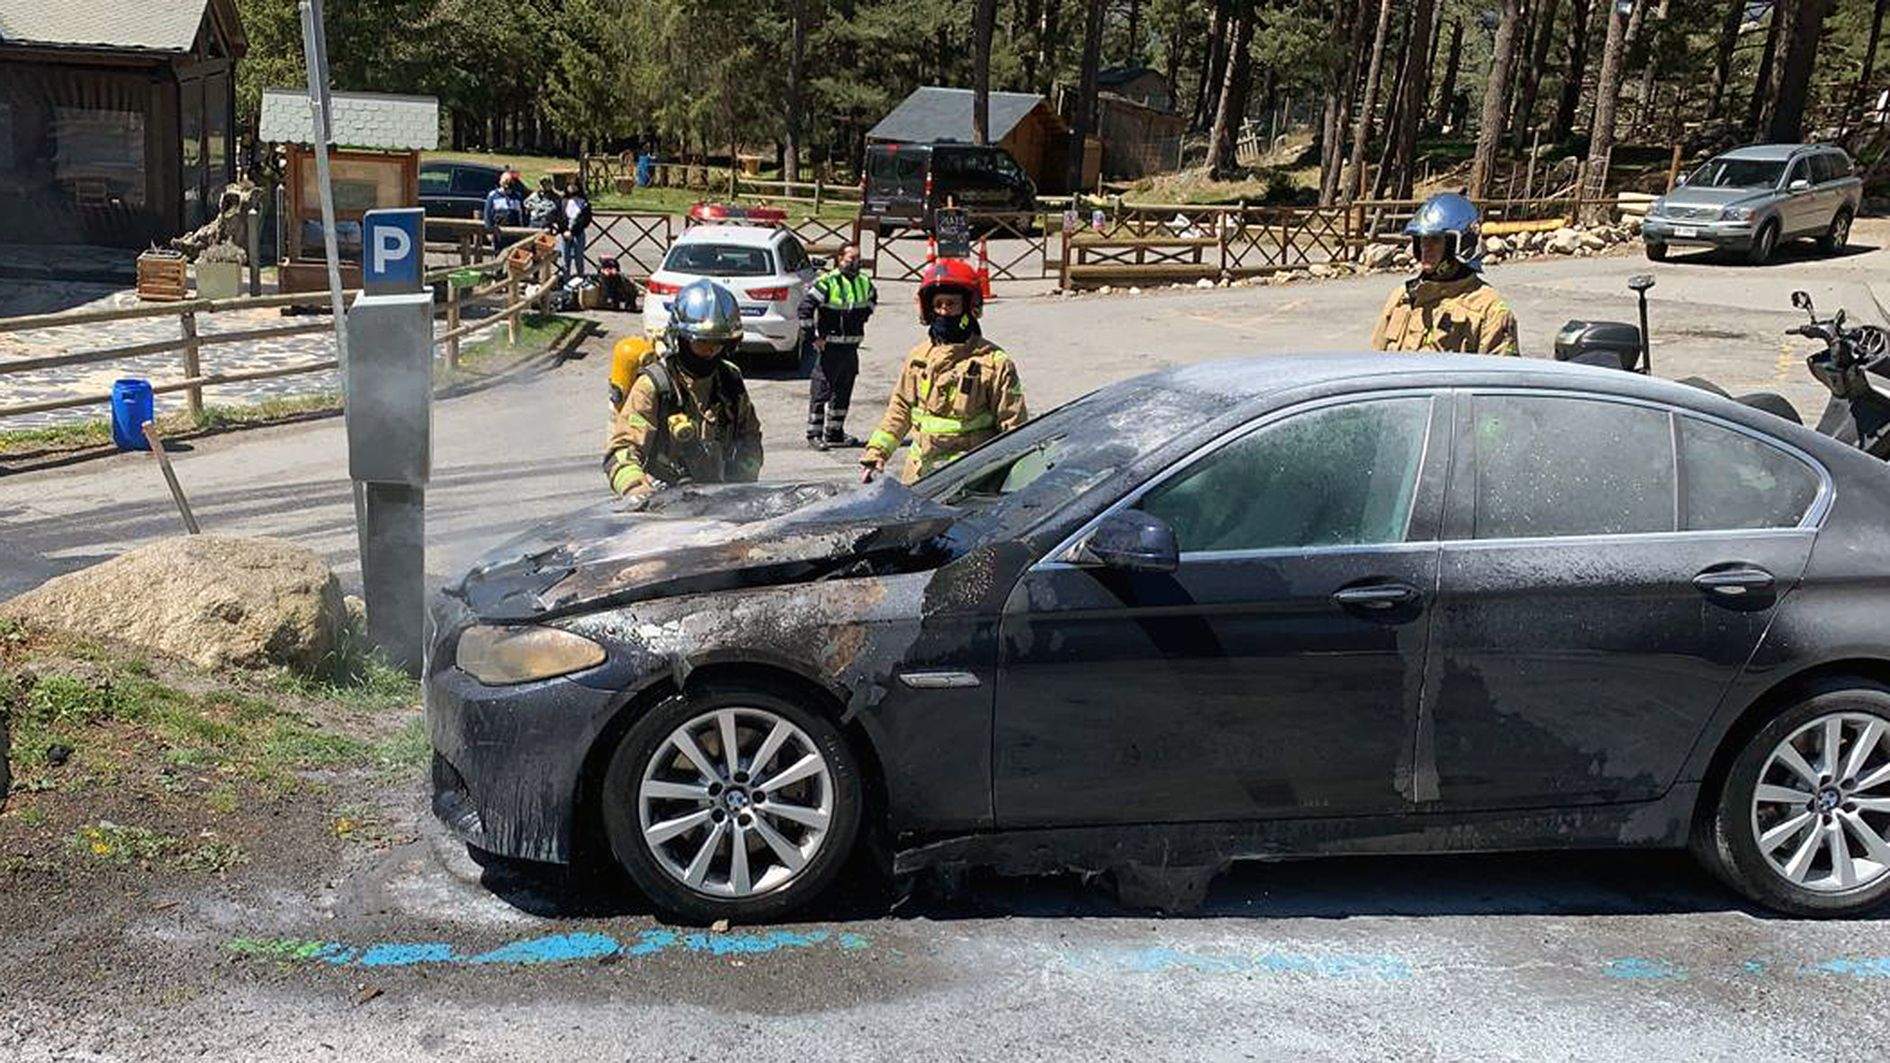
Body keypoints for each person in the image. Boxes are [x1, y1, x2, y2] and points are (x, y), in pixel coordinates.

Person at [861, 257, 1027, 484]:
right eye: (938, 305)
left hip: (972, 482)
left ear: (969, 308)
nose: (944, 311)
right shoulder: (918, 358)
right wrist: (876, 453)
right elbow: (899, 410)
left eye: (951, 304)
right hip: (920, 479)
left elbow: (1015, 427)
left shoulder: (995, 363)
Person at [604, 279, 763, 496]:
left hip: (719, 499)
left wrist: (742, 481)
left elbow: (750, 438)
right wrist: (636, 489)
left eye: (716, 344)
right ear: (681, 340)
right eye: (701, 343)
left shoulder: (729, 380)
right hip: (661, 499)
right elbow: (622, 449)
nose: (709, 351)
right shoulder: (655, 385)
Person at [1370, 191, 1520, 355]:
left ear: (1459, 245)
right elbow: (1375, 361)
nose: (1425, 247)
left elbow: (1500, 375)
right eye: (1422, 239)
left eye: (1435, 239)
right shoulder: (1403, 297)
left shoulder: (1490, 310)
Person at [797, 242, 877, 450]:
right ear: (840, 259)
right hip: (829, 349)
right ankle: (814, 433)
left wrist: (858, 321)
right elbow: (805, 310)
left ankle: (835, 432)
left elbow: (871, 302)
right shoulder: (827, 282)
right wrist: (813, 338)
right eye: (851, 260)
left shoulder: (864, 282)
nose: (855, 263)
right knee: (821, 391)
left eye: (858, 259)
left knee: (843, 391)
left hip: (850, 349)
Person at [554, 179, 593, 278]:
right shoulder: (563, 201)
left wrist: (574, 231)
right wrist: (564, 230)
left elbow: (586, 219)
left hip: (578, 233)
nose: (572, 187)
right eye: (569, 185)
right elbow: (559, 217)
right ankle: (566, 280)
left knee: (579, 258)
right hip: (565, 234)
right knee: (565, 259)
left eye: (574, 185)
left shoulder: (584, 202)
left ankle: (580, 279)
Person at [482, 169, 525, 255]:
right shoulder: (493, 195)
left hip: (514, 234)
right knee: (498, 256)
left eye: (509, 181)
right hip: (498, 233)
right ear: (500, 181)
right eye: (505, 180)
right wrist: (489, 231)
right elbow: (487, 215)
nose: (507, 183)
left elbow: (522, 215)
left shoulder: (517, 196)